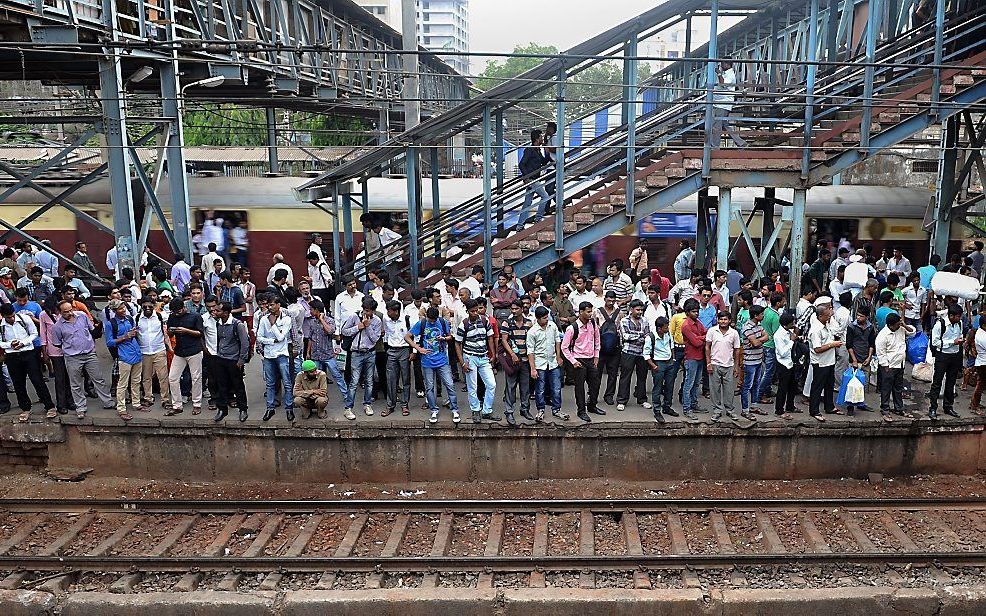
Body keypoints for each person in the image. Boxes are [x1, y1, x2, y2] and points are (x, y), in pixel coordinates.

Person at [51, 300, 114, 419]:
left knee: (98, 379)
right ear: (59, 312)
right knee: (75, 383)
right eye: (66, 312)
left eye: (71, 310)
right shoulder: (57, 327)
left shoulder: (82, 316)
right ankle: (80, 407)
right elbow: (57, 343)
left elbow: (91, 330)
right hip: (72, 357)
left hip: (89, 353)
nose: (70, 313)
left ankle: (108, 402)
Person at [0, 303, 55, 422]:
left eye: (12, 316)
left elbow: (34, 334)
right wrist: (10, 344)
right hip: (12, 356)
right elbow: (0, 342)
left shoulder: (24, 319)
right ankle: (25, 408)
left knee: (37, 380)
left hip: (28, 353)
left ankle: (49, 406)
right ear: (3, 316)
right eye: (8, 317)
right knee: (18, 383)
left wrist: (23, 343)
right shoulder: (1, 325)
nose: (11, 319)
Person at [407, 306, 459, 424]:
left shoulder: (442, 322)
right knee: (429, 387)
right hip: (427, 361)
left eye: (433, 320)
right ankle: (433, 410)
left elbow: (450, 336)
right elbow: (407, 336)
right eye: (430, 319)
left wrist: (444, 338)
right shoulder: (422, 323)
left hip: (442, 360)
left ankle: (455, 409)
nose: (431, 322)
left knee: (450, 384)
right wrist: (418, 348)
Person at [455, 299, 499, 423]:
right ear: (467, 311)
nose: (475, 313)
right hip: (470, 357)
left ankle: (487, 410)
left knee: (491, 384)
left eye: (476, 310)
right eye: (472, 311)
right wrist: (462, 362)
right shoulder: (464, 324)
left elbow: (490, 338)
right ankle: (475, 410)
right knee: (472, 386)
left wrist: (493, 354)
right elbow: (457, 343)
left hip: (484, 356)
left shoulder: (485, 321)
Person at [342, 297, 383, 419]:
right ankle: (348, 408)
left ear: (374, 311)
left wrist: (367, 326)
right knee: (354, 381)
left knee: (369, 381)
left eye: (369, 311)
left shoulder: (377, 321)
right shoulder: (354, 317)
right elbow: (344, 331)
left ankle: (367, 404)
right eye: (365, 310)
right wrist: (358, 327)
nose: (367, 313)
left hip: (370, 352)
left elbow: (375, 339)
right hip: (356, 353)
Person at [562, 301, 602, 423]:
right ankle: (581, 410)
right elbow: (564, 347)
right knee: (579, 388)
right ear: (581, 312)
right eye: (588, 311)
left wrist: (596, 357)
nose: (590, 314)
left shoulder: (593, 324)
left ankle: (592, 405)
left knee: (595, 384)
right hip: (578, 360)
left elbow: (597, 341)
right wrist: (573, 361)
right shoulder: (572, 328)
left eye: (591, 311)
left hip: (591, 359)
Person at [306, 299, 349, 412]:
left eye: (311, 309)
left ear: (316, 310)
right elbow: (310, 338)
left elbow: (330, 331)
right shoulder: (312, 322)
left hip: (328, 355)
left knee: (337, 376)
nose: (310, 311)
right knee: (315, 379)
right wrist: (308, 352)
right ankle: (317, 399)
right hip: (316, 355)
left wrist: (321, 320)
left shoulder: (329, 320)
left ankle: (347, 396)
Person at [104, 299, 142, 421]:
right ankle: (121, 408)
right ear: (115, 311)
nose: (123, 310)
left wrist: (133, 332)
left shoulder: (129, 319)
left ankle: (136, 403)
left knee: (136, 381)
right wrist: (124, 337)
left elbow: (132, 334)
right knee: (122, 384)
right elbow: (109, 342)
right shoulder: (111, 324)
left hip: (136, 352)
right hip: (124, 355)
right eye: (120, 309)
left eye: (123, 307)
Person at [257, 296, 294, 422]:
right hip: (268, 355)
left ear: (278, 305)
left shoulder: (287, 319)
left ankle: (289, 408)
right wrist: (272, 341)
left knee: (287, 382)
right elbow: (259, 337)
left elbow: (282, 337)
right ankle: (270, 408)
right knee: (270, 383)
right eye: (268, 305)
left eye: (272, 305)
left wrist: (273, 324)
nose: (270, 307)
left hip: (282, 354)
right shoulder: (263, 319)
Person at [212, 302, 251, 422]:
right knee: (221, 385)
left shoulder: (237, 324)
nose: (215, 312)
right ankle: (222, 409)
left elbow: (245, 343)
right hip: (221, 358)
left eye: (218, 310)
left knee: (238, 385)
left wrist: (241, 360)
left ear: (226, 313)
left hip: (234, 360)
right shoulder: (219, 323)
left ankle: (243, 409)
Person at [875, 312, 916, 422]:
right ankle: (885, 409)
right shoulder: (883, 336)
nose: (899, 326)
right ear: (890, 325)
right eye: (897, 324)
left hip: (900, 364)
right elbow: (880, 352)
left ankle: (899, 408)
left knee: (898, 388)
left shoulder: (901, 329)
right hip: (889, 366)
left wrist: (904, 325)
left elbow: (912, 332)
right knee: (886, 388)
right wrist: (885, 366)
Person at [527, 306, 564, 422]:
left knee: (557, 387)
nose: (546, 320)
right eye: (544, 318)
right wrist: (533, 368)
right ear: (537, 319)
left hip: (553, 362)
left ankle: (557, 409)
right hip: (540, 363)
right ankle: (540, 410)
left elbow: (557, 340)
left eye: (547, 317)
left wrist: (558, 357)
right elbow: (530, 351)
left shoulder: (552, 326)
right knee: (540, 389)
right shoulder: (532, 332)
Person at [808, 297, 842, 422]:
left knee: (829, 385)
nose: (829, 318)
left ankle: (829, 406)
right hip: (820, 362)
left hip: (829, 360)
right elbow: (817, 348)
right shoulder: (816, 330)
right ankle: (814, 410)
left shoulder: (826, 325)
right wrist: (832, 345)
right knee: (817, 386)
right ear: (821, 316)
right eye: (827, 316)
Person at [928, 304, 964, 420]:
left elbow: (960, 335)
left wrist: (959, 341)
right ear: (951, 315)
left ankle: (948, 406)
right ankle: (933, 407)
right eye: (958, 316)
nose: (959, 318)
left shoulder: (960, 323)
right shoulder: (940, 325)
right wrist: (952, 342)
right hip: (942, 355)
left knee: (951, 382)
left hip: (955, 355)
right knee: (937, 382)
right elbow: (935, 342)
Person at [706, 310, 741, 422]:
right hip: (715, 364)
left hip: (729, 365)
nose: (723, 321)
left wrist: (736, 366)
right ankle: (717, 410)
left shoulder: (734, 333)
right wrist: (708, 363)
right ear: (718, 320)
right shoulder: (712, 331)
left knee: (729, 390)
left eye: (725, 319)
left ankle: (730, 410)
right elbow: (707, 347)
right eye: (721, 319)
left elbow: (737, 350)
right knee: (714, 390)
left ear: (729, 321)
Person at [136, 297, 170, 412]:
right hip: (144, 352)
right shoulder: (137, 318)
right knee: (146, 377)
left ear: (154, 306)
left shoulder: (160, 317)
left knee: (163, 377)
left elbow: (165, 333)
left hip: (159, 350)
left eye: (150, 306)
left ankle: (165, 399)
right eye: (144, 306)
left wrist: (169, 348)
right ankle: (148, 398)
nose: (147, 308)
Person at [616, 299, 650, 411]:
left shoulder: (645, 320)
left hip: (641, 352)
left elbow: (647, 335)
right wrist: (640, 336)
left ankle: (642, 399)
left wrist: (637, 336)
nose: (640, 312)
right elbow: (626, 336)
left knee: (642, 377)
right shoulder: (624, 321)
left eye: (641, 310)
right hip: (628, 352)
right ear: (631, 309)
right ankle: (621, 400)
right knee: (625, 376)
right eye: (637, 310)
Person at [516, 129, 551, 229]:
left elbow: (543, 162)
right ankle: (538, 219)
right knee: (545, 196)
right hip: (531, 179)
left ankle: (519, 225)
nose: (542, 138)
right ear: (536, 139)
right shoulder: (530, 150)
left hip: (534, 179)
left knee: (527, 203)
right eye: (540, 137)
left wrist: (547, 152)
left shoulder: (538, 150)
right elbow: (521, 164)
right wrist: (526, 177)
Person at [642, 315, 674, 423]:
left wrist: (673, 359)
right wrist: (654, 366)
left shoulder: (668, 334)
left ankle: (667, 407)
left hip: (669, 362)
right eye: (666, 327)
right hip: (658, 363)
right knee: (658, 388)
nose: (668, 329)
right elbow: (646, 355)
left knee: (669, 386)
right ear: (659, 328)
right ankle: (657, 411)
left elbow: (671, 346)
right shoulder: (650, 337)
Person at [383, 300, 412, 418]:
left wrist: (412, 352)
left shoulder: (406, 320)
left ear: (396, 311)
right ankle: (390, 405)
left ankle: (405, 404)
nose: (387, 313)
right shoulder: (386, 320)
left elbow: (413, 336)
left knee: (405, 379)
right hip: (391, 350)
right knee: (390, 379)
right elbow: (385, 335)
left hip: (404, 350)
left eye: (389, 311)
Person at [594, 291, 623, 405]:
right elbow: (594, 328)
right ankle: (593, 395)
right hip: (600, 347)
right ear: (605, 299)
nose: (610, 302)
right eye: (608, 300)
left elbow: (621, 329)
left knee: (613, 373)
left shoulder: (620, 313)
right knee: (596, 374)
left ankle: (609, 395)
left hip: (615, 347)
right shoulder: (597, 312)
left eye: (613, 300)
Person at [740, 305, 768, 420]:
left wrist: (758, 340)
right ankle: (745, 410)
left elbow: (767, 337)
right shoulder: (747, 327)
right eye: (761, 314)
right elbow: (756, 343)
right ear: (756, 316)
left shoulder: (758, 326)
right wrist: (758, 341)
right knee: (747, 386)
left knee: (756, 384)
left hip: (758, 359)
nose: (763, 316)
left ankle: (754, 406)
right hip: (749, 361)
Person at [711, 60, 748, 147]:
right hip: (720, 103)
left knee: (717, 126)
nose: (721, 65)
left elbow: (723, 84)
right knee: (725, 125)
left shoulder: (730, 75)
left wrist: (719, 74)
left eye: (723, 63)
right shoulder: (726, 74)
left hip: (722, 104)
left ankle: (715, 146)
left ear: (728, 64)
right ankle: (741, 143)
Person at [681, 298, 706, 421]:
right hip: (691, 357)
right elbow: (696, 342)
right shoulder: (686, 325)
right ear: (687, 312)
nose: (696, 313)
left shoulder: (698, 322)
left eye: (697, 311)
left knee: (696, 383)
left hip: (699, 356)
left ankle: (694, 404)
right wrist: (701, 338)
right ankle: (687, 408)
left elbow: (705, 334)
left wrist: (699, 337)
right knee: (689, 384)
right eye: (694, 312)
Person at [773, 313, 797, 420]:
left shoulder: (789, 332)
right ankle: (779, 410)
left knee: (792, 386)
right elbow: (782, 352)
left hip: (791, 363)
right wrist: (792, 341)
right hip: (783, 364)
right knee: (782, 388)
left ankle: (790, 406)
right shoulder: (778, 335)